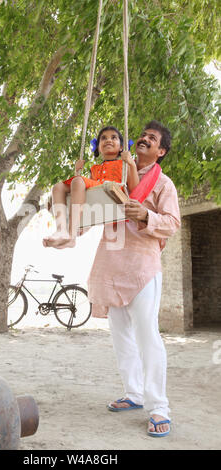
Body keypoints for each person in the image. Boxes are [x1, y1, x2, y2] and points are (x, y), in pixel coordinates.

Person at [87, 120, 181, 437]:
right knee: (120, 336)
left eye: (151, 139)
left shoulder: (163, 183)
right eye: (142, 135)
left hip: (142, 267)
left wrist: (145, 215)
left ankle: (159, 407)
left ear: (161, 151)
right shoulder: (111, 172)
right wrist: (67, 224)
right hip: (112, 264)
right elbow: (91, 210)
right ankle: (134, 394)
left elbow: (172, 223)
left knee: (147, 336)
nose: (143, 139)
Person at [43, 126, 139, 249]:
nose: (108, 140)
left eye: (113, 138)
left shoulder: (123, 165)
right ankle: (61, 230)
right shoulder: (94, 168)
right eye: (103, 138)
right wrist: (77, 172)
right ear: (98, 147)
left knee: (78, 181)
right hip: (98, 195)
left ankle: (71, 235)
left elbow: (135, 188)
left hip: (113, 193)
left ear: (121, 147)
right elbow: (86, 193)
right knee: (58, 187)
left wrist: (131, 163)